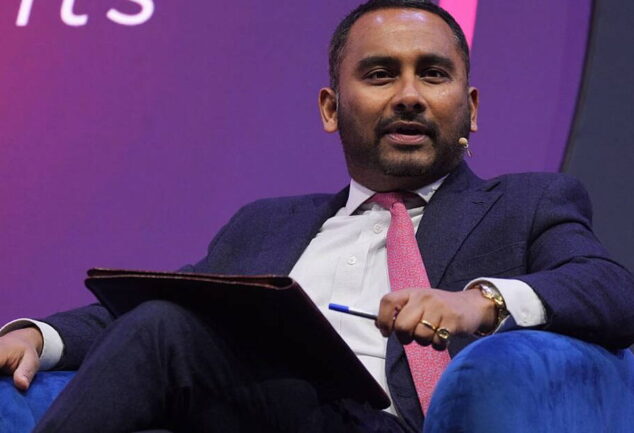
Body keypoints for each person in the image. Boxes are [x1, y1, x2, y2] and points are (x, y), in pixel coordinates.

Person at [1, 1, 633, 432]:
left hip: (392, 422)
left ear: (470, 107)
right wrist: (37, 336)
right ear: (331, 108)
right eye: (380, 74)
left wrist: (480, 303)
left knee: (167, 329)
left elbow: (610, 288)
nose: (409, 96)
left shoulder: (527, 203)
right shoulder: (265, 224)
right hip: (260, 410)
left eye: (433, 75)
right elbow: (155, 313)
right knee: (166, 324)